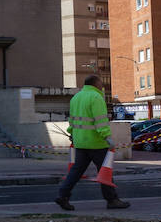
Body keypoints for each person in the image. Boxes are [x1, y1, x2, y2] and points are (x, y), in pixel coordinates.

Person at [55, 75, 130, 210]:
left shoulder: (75, 98)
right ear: (96, 84)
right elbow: (100, 121)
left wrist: (72, 134)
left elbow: (72, 121)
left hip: (80, 142)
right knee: (105, 172)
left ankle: (63, 195)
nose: (102, 86)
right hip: (96, 142)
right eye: (101, 84)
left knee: (76, 171)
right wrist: (107, 137)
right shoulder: (96, 98)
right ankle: (112, 200)